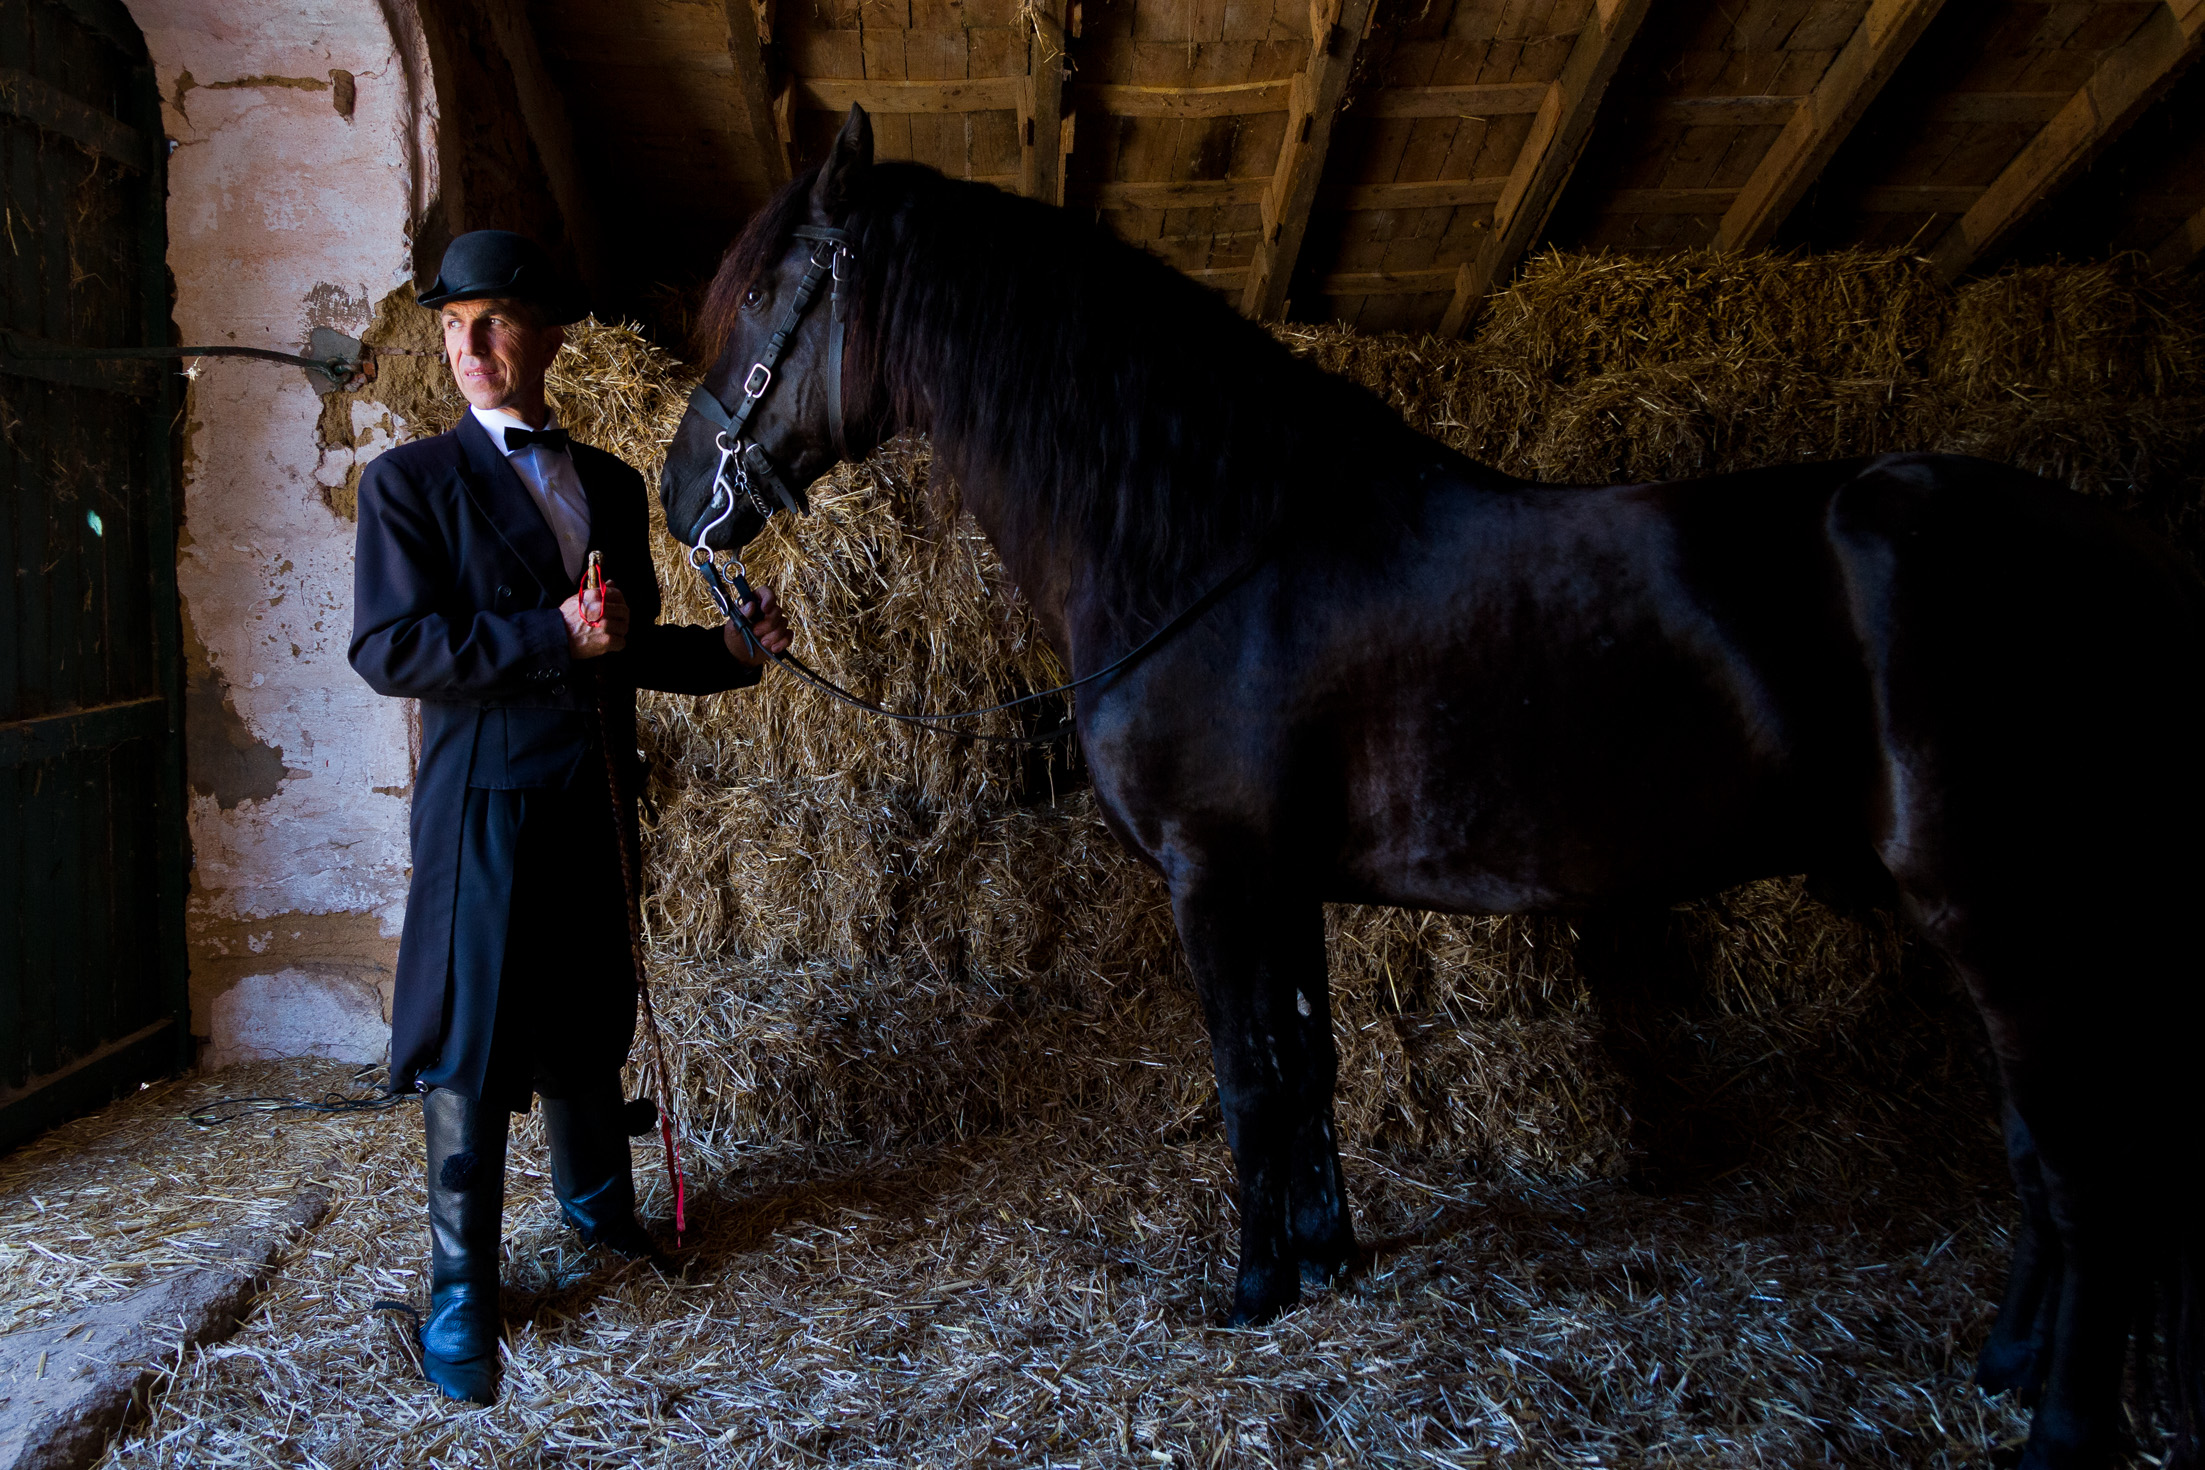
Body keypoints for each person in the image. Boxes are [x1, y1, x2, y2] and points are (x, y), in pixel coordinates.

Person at [349, 230, 791, 1405]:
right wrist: (550, 634)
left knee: (590, 1012)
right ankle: (461, 1302)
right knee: (475, 1035)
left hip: (593, 786)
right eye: (453, 327)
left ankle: (603, 1214)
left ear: (548, 338)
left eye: (492, 323)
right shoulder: (408, 485)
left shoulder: (608, 482)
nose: (469, 348)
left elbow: (625, 648)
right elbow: (390, 649)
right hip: (483, 803)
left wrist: (736, 656)